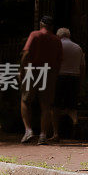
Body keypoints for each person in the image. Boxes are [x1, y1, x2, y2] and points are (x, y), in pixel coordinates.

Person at [20, 15, 62, 144]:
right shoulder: (56, 40)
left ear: (41, 24)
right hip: (49, 72)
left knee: (26, 100)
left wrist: (22, 69)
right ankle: (43, 135)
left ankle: (28, 130)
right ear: (52, 27)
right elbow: (59, 60)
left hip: (32, 70)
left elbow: (26, 53)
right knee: (46, 105)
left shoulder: (35, 35)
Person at [52, 28, 84, 141]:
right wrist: (81, 80)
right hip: (75, 77)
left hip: (60, 77)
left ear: (58, 36)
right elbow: (82, 66)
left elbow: (53, 63)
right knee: (72, 106)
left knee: (56, 106)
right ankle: (75, 122)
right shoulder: (78, 48)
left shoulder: (57, 45)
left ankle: (56, 133)